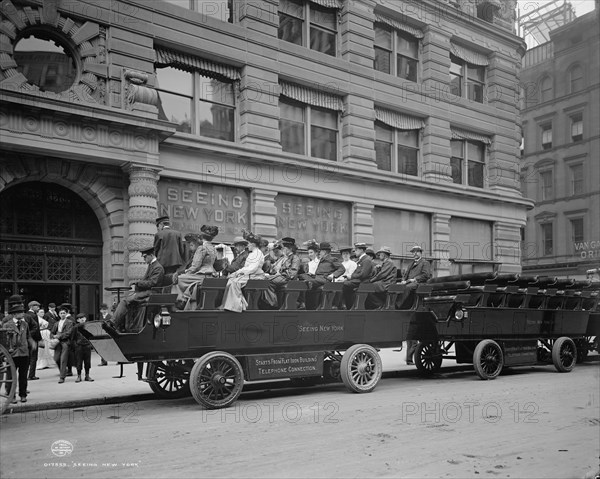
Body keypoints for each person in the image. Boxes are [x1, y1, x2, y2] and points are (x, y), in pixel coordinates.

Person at [112, 247, 165, 332]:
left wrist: (137, 283)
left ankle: (113, 323)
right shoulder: (152, 266)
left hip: (151, 293)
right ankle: (123, 326)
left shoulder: (158, 267)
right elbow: (148, 281)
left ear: (151, 255)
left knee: (125, 301)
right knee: (127, 302)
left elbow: (152, 283)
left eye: (145, 257)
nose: (144, 259)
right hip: (147, 292)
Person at [399, 245, 432, 365]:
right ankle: (409, 358)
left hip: (418, 286)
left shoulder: (425, 263)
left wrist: (414, 280)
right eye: (413, 252)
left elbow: (426, 275)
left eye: (417, 252)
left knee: (406, 288)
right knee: (399, 287)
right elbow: (406, 275)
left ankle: (400, 305)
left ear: (421, 252)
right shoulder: (411, 264)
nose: (415, 254)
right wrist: (403, 279)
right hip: (409, 286)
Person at [220, 230, 265, 312]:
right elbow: (247, 267)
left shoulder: (258, 253)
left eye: (249, 243)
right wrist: (236, 273)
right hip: (251, 275)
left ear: (253, 244)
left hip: (255, 276)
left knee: (234, 282)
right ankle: (229, 305)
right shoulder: (253, 253)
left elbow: (252, 268)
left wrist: (238, 273)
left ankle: (239, 305)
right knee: (231, 280)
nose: (248, 245)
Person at [175, 226, 218, 310]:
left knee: (179, 278)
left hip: (202, 275)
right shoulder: (213, 249)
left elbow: (195, 266)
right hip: (212, 275)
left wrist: (186, 272)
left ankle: (182, 300)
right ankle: (186, 297)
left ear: (202, 237)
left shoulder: (201, 248)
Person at [1, 301, 31, 403]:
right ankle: (11, 396)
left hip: (24, 353)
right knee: (10, 376)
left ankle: (23, 395)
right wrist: (4, 355)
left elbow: (27, 336)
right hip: (12, 354)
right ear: (14, 314)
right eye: (20, 312)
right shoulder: (6, 325)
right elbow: (4, 341)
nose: (22, 314)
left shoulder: (25, 324)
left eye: (23, 312)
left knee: (23, 375)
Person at [301, 242, 345, 310]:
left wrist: (333, 275)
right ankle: (307, 305)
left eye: (320, 251)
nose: (319, 253)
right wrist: (312, 275)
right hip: (317, 278)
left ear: (324, 252)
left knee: (308, 282)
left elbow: (342, 269)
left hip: (325, 279)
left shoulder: (332, 259)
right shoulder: (321, 260)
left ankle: (303, 302)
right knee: (302, 276)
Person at [263, 237, 301, 308]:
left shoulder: (295, 258)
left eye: (284, 248)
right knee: (264, 278)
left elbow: (292, 274)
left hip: (287, 279)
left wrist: (279, 274)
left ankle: (273, 303)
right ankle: (271, 301)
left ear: (289, 249)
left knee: (266, 281)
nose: (283, 250)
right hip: (282, 277)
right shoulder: (286, 258)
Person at [342, 242, 374, 310]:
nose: (355, 252)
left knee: (343, 285)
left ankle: (349, 306)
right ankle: (349, 306)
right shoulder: (362, 260)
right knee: (342, 284)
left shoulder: (366, 260)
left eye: (356, 250)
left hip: (363, 282)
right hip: (358, 281)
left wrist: (351, 277)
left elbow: (363, 274)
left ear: (361, 250)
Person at [51, 304, 75, 384]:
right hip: (57, 342)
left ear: (66, 313)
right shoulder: (57, 323)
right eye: (61, 313)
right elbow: (51, 332)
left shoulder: (69, 322)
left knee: (63, 359)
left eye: (64, 313)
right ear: (58, 314)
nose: (62, 315)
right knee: (56, 358)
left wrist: (59, 336)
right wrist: (53, 336)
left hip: (65, 342)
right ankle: (64, 371)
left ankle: (62, 377)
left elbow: (68, 333)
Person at [72, 313, 94, 383]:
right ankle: (79, 376)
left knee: (87, 361)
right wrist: (75, 345)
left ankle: (87, 375)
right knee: (79, 361)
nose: (82, 319)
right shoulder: (75, 327)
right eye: (80, 318)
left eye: (83, 317)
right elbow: (72, 337)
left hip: (87, 345)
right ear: (77, 320)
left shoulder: (89, 326)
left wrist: (91, 345)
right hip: (79, 346)